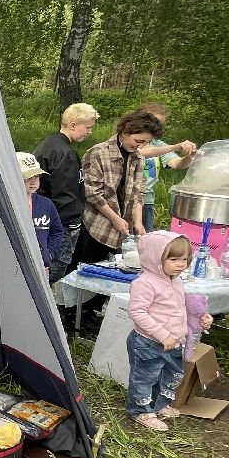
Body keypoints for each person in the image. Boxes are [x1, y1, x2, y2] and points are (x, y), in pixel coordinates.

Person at [72, 109, 164, 328]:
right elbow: (92, 192)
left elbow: (138, 192)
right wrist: (114, 218)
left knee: (114, 270)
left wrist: (139, 223)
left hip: (123, 224)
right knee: (88, 267)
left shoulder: (138, 157)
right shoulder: (98, 153)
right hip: (97, 223)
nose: (140, 146)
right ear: (125, 131)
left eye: (145, 143)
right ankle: (74, 314)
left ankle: (93, 310)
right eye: (138, 140)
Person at [126, 232, 212, 431]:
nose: (181, 264)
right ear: (155, 259)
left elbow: (181, 305)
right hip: (148, 342)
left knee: (170, 374)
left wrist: (201, 316)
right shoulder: (144, 283)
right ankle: (140, 411)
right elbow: (137, 311)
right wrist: (161, 334)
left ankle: (159, 404)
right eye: (173, 259)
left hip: (173, 341)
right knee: (145, 377)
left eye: (184, 259)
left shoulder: (176, 280)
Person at [34, 102, 99, 284]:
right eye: (87, 127)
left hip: (42, 217)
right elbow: (65, 195)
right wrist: (73, 224)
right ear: (72, 125)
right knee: (56, 267)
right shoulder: (65, 154)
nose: (89, 132)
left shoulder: (48, 144)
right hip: (59, 223)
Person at [134, 102, 197, 231]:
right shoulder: (131, 140)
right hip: (125, 200)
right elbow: (140, 153)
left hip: (147, 201)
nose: (157, 127)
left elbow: (176, 163)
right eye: (154, 122)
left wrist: (190, 157)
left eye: (160, 124)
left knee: (144, 241)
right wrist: (176, 146)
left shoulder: (158, 144)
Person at [17, 151, 64, 276]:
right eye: (27, 178)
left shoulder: (46, 204)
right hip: (15, 266)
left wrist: (48, 254)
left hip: (41, 266)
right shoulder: (10, 205)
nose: (33, 182)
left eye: (36, 177)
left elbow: (57, 231)